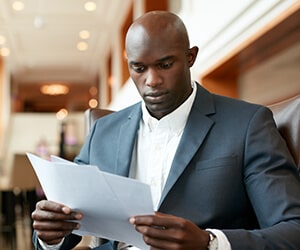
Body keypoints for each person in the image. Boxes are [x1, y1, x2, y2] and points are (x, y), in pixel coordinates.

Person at [31, 10, 300, 250]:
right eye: (139, 68)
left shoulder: (247, 124)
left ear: (190, 57)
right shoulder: (103, 131)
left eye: (165, 65)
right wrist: (49, 236)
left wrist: (210, 243)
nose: (152, 81)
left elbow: (293, 229)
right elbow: (68, 223)